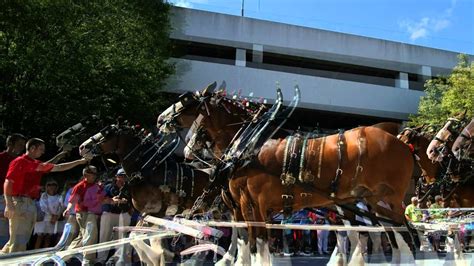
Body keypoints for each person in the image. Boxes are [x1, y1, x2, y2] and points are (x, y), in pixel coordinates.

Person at [2, 138, 88, 253]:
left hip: (29, 203)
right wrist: (9, 204)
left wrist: (79, 161)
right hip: (19, 202)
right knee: (18, 241)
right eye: (41, 149)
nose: (43, 152)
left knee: (19, 240)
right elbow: (8, 181)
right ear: (32, 148)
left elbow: (56, 167)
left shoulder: (34, 164)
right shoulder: (20, 161)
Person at [64, 165, 104, 264]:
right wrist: (68, 209)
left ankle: (64, 256)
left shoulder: (97, 187)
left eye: (95, 174)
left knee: (82, 237)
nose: (94, 176)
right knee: (90, 235)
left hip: (93, 214)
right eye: (92, 174)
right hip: (83, 214)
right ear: (86, 174)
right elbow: (72, 200)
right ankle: (88, 260)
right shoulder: (80, 186)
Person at [97, 168, 132, 265]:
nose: (122, 179)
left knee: (120, 238)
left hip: (123, 214)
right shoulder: (109, 187)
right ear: (116, 177)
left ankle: (117, 260)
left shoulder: (130, 188)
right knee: (104, 236)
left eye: (125, 176)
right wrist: (112, 200)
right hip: (109, 213)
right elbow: (100, 199)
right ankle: (100, 260)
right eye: (120, 176)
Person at [0, 134, 26, 247]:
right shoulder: (1, 158)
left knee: (9, 235)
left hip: (13, 200)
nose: (21, 148)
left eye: (23, 146)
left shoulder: (19, 161)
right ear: (10, 144)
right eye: (19, 145)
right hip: (1, 198)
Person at [34, 179, 62, 248]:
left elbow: (61, 207)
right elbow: (43, 206)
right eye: (49, 185)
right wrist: (52, 215)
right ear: (46, 186)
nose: (51, 186)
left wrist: (56, 216)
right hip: (43, 218)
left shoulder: (59, 196)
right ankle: (35, 253)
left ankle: (44, 255)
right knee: (40, 237)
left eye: (54, 185)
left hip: (53, 220)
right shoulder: (44, 195)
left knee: (48, 238)